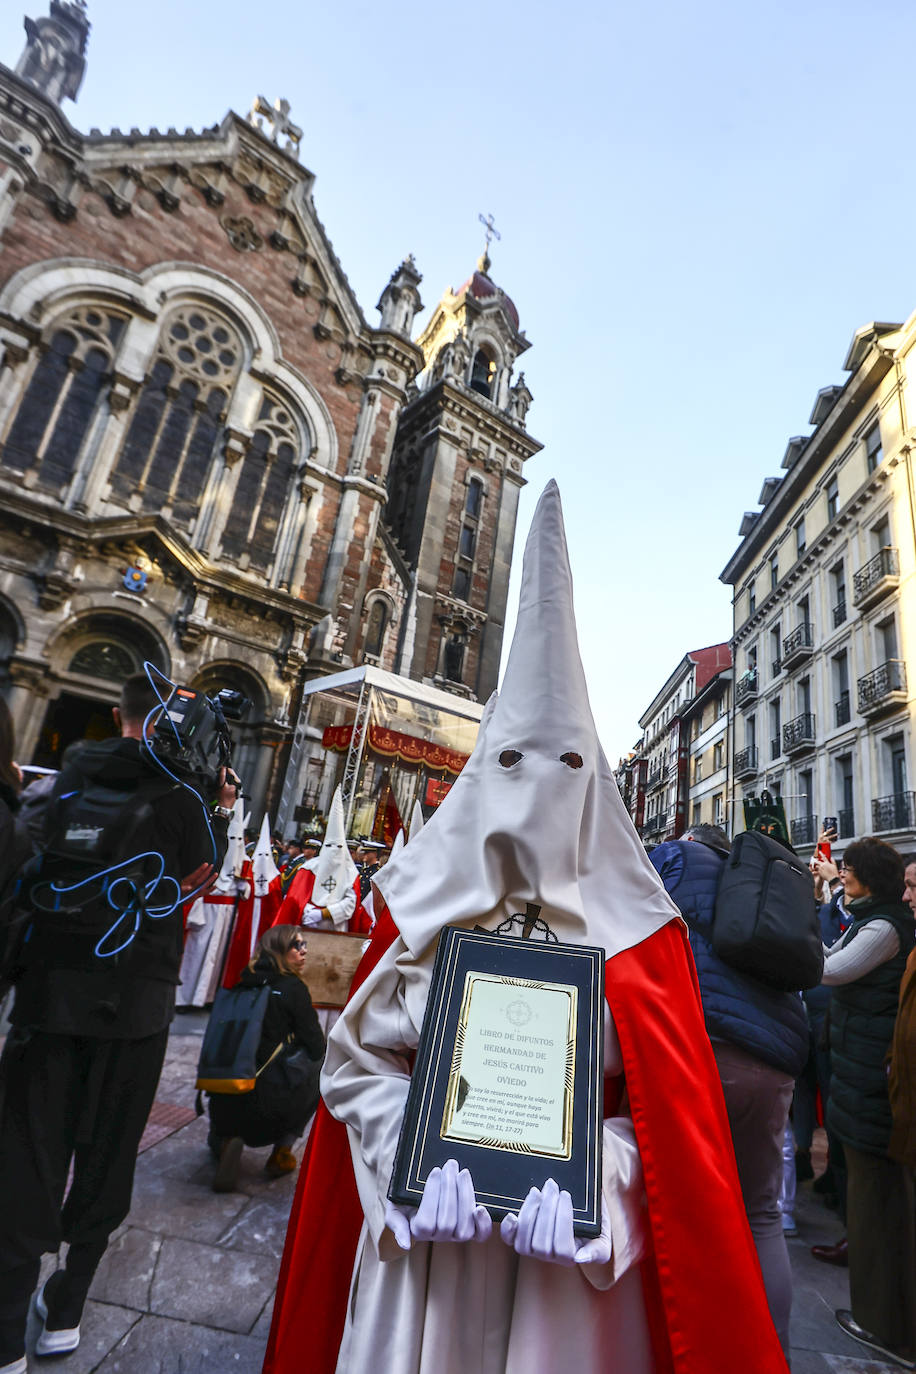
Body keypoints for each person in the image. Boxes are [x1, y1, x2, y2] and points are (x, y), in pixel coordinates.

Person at [299, 483, 788, 1374]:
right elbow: (354, 1063)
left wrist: (602, 1177)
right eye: (513, 760)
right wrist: (404, 1142)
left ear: (596, 781)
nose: (538, 788)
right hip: (425, 1263)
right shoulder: (419, 914)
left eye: (567, 763)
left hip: (569, 1286)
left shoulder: (643, 938)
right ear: (484, 769)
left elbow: (672, 1123)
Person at [0, 673, 236, 1374]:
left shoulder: (71, 774)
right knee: (107, 1159)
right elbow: (201, 879)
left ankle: (7, 1332)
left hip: (47, 1000)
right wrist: (219, 812)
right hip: (135, 1010)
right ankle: (65, 1312)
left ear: (115, 715)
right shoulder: (186, 800)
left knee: (25, 1157)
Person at [649, 822, 809, 1358]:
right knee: (762, 1211)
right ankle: (773, 1353)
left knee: (675, 1201)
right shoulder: (765, 884)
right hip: (777, 1060)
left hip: (708, 1049)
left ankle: (684, 1348)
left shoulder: (675, 859)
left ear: (692, 844)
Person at [821, 837, 915, 1366]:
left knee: (876, 1203)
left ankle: (882, 1320)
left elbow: (832, 970)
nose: (842, 878)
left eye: (849, 872)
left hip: (871, 1083)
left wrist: (792, 942)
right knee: (870, 1196)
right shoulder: (871, 918)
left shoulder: (882, 927)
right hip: (862, 1075)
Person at [208, 924, 325, 1192]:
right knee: (323, 1065)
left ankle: (225, 1140)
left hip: (225, 1096)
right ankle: (281, 1151)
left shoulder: (242, 980)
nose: (304, 950)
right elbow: (316, 1045)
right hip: (270, 1109)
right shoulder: (293, 988)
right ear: (279, 951)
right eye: (297, 945)